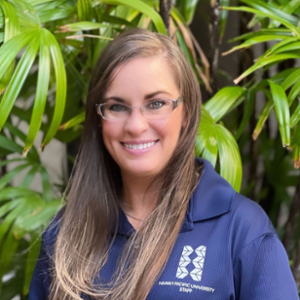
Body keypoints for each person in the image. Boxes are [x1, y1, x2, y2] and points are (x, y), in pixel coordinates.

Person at [29, 28, 298, 300]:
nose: (135, 126)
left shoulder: (241, 229)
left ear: (186, 113)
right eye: (117, 107)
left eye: (156, 103)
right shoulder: (65, 232)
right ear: (99, 119)